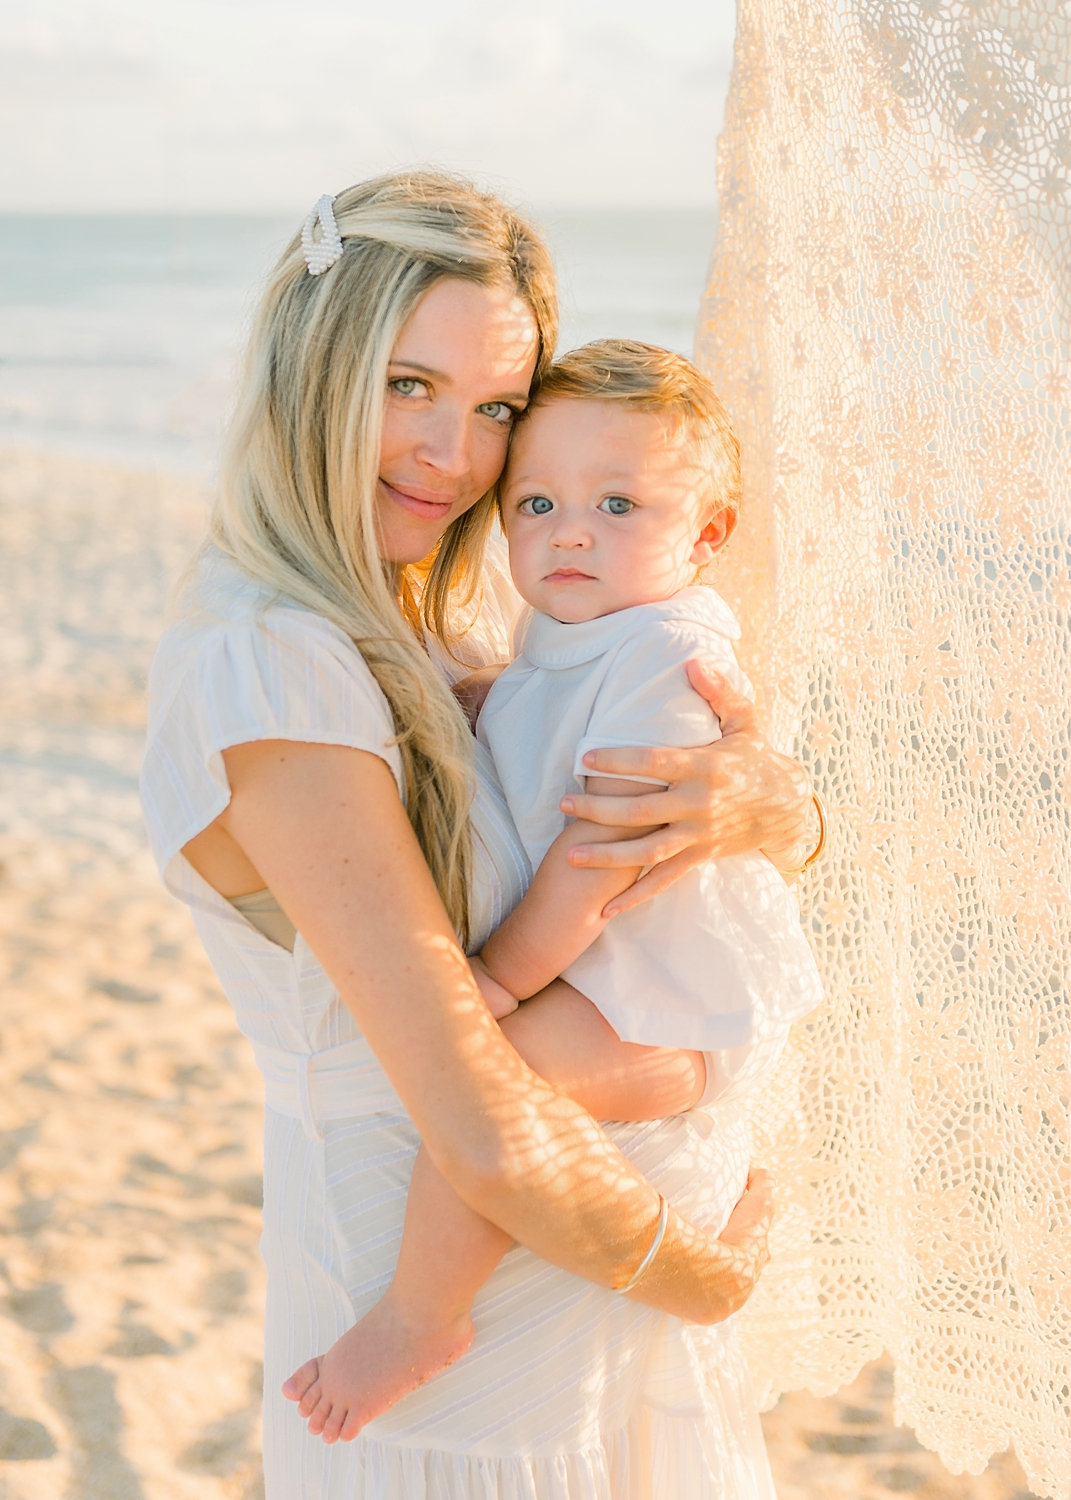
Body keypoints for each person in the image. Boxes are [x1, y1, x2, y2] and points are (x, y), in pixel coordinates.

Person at [140, 172, 820, 1498]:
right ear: (311, 364)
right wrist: (708, 1277)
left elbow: (660, 853)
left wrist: (778, 808)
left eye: (493, 408)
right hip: (464, 1392)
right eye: (407, 386)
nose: (451, 457)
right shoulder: (270, 666)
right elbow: (486, 1124)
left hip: (572, 1324)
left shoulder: (427, 634)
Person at [282, 337, 825, 1446]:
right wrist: (487, 702)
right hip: (618, 987)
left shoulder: (670, 651)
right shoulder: (568, 632)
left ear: (708, 535)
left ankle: (419, 1319)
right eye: (536, 503)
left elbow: (601, 849)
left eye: (619, 504)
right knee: (491, 1081)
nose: (570, 531)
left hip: (668, 1011)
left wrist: (498, 978)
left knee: (497, 1078)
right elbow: (538, 736)